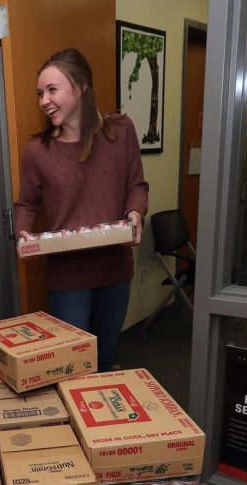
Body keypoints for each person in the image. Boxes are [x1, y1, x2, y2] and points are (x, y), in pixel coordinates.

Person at [14, 48, 149, 372]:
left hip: (115, 269)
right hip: (68, 277)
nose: (44, 100)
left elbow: (136, 185)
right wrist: (23, 234)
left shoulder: (121, 132)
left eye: (52, 90)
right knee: (75, 367)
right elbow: (27, 203)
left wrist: (135, 214)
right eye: (39, 93)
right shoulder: (38, 151)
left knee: (105, 359)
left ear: (81, 87)